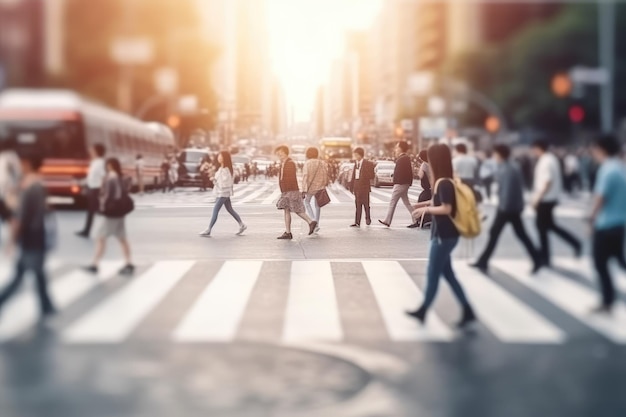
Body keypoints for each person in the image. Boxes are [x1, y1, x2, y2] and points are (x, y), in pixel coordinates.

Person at [406, 144, 476, 328]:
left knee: (433, 273)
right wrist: (421, 206)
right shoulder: (443, 181)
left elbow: (447, 208)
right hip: (444, 235)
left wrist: (426, 210)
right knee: (448, 275)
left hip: (444, 236)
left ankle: (423, 310)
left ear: (435, 160)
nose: (427, 161)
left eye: (429, 158)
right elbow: (439, 201)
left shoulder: (443, 182)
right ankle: (468, 311)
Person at [470, 144, 542, 274]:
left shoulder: (508, 169)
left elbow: (508, 191)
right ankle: (537, 258)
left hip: (507, 209)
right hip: (511, 208)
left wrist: (503, 207)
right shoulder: (510, 166)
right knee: (517, 234)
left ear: (499, 154)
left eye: (495, 154)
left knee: (497, 233)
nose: (494, 156)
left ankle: (483, 261)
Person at [0, 152, 55, 319]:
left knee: (31, 274)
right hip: (35, 238)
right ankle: (46, 305)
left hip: (32, 237)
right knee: (28, 274)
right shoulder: (37, 186)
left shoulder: (30, 187)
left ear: (28, 165)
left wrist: (13, 240)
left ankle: (46, 305)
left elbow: (22, 218)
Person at [587, 135, 626, 314]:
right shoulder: (620, 168)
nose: (593, 152)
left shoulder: (607, 169)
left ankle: (607, 301)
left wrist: (591, 220)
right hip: (619, 223)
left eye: (594, 148)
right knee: (619, 260)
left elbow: (600, 198)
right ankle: (607, 300)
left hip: (606, 224)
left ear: (601, 149)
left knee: (600, 262)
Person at [531, 139, 581, 266]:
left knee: (542, 228)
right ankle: (574, 243)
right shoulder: (551, 159)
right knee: (549, 226)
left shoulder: (545, 161)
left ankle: (545, 257)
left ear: (538, 148)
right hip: (551, 198)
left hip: (546, 199)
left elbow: (547, 181)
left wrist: (537, 198)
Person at [84, 158, 135, 275]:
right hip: (119, 213)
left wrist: (102, 208)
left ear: (110, 165)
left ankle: (94, 265)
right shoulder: (121, 177)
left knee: (100, 237)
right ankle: (128, 263)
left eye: (107, 165)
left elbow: (109, 195)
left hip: (111, 214)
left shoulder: (111, 177)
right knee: (122, 239)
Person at [198, 151, 247, 237]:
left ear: (225, 158)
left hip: (223, 193)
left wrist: (214, 180)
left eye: (221, 156)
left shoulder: (226, 169)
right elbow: (220, 181)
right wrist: (214, 179)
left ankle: (208, 229)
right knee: (230, 209)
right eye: (219, 156)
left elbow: (225, 183)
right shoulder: (221, 168)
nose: (219, 158)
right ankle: (242, 224)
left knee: (215, 210)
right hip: (221, 192)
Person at [274, 145, 317, 240]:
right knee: (287, 209)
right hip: (287, 191)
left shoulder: (290, 163)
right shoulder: (283, 163)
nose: (279, 154)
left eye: (280, 152)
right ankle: (288, 232)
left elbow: (290, 178)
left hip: (291, 191)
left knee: (296, 209)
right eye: (278, 153)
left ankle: (310, 222)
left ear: (285, 152)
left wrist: (289, 192)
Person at [378, 141, 413, 227]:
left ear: (401, 148)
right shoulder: (405, 158)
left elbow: (402, 173)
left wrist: (396, 181)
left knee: (392, 202)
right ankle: (417, 218)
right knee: (407, 203)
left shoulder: (402, 158)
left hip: (400, 184)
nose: (396, 149)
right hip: (404, 184)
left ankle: (387, 221)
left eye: (397, 147)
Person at [76, 143, 106, 238]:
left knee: (96, 211)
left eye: (92, 150)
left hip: (96, 190)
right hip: (91, 188)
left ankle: (88, 231)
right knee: (92, 211)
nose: (90, 151)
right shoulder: (94, 162)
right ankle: (87, 231)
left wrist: (102, 191)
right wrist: (83, 183)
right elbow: (91, 177)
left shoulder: (100, 163)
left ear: (96, 151)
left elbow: (103, 177)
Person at [0, 136, 21, 245]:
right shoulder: (13, 157)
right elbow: (18, 175)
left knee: (10, 217)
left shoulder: (6, 157)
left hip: (5, 192)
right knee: (11, 217)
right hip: (8, 192)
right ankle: (13, 239)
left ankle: (13, 239)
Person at [302, 147, 328, 232]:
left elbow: (305, 176)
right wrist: (324, 184)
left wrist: (303, 189)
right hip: (320, 187)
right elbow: (325, 174)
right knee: (318, 206)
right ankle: (317, 223)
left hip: (310, 187)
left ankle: (313, 220)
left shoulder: (308, 163)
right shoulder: (322, 163)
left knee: (307, 202)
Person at [349, 147, 375, 227]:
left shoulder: (368, 163)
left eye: (356, 155)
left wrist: (364, 175)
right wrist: (351, 186)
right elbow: (353, 175)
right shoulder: (355, 163)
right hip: (357, 187)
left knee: (366, 204)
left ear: (360, 155)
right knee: (358, 205)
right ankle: (357, 222)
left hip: (364, 187)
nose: (355, 156)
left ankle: (368, 218)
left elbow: (372, 175)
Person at [408, 149, 432, 229]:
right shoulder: (431, 164)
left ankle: (418, 221)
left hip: (427, 189)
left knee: (419, 203)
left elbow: (420, 175)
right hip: (432, 189)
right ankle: (423, 220)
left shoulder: (424, 165)